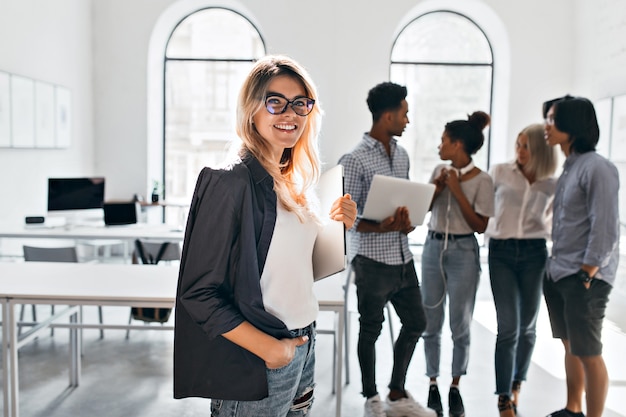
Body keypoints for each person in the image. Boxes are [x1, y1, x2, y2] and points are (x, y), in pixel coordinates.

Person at [172, 55, 357, 417]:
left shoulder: (294, 182)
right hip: (261, 354)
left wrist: (338, 228)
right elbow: (197, 293)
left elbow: (290, 268)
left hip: (303, 344)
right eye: (276, 102)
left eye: (300, 104)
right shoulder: (228, 182)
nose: (290, 114)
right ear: (252, 110)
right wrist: (269, 349)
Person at [339, 82, 435, 417]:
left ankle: (397, 390)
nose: (408, 120)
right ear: (388, 115)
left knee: (416, 322)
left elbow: (401, 203)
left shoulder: (403, 155)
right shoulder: (354, 159)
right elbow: (345, 218)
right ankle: (371, 398)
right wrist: (379, 226)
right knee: (371, 329)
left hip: (403, 258)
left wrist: (405, 221)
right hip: (372, 262)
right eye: (405, 113)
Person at [542, 95, 620, 417]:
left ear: (571, 126)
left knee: (589, 352)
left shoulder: (598, 167)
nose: (546, 125)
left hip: (584, 276)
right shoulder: (570, 167)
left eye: (552, 119)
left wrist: (587, 272)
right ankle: (572, 409)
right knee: (570, 346)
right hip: (560, 271)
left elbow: (605, 228)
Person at [421, 111, 494, 417]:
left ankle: (455, 386)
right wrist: (438, 187)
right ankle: (433, 384)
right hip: (433, 246)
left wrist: (457, 190)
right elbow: (422, 209)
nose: (439, 146)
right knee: (430, 321)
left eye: (443, 141)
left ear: (458, 144)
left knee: (460, 324)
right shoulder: (440, 170)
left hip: (464, 251)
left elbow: (480, 225)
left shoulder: (484, 180)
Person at [485, 123, 558, 417]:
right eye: (518, 144)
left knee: (528, 327)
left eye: (526, 146)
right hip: (501, 253)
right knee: (508, 327)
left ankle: (517, 383)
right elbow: (486, 207)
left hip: (534, 253)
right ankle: (503, 395)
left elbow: (554, 222)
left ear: (540, 150)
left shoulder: (551, 183)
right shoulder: (500, 172)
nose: (520, 151)